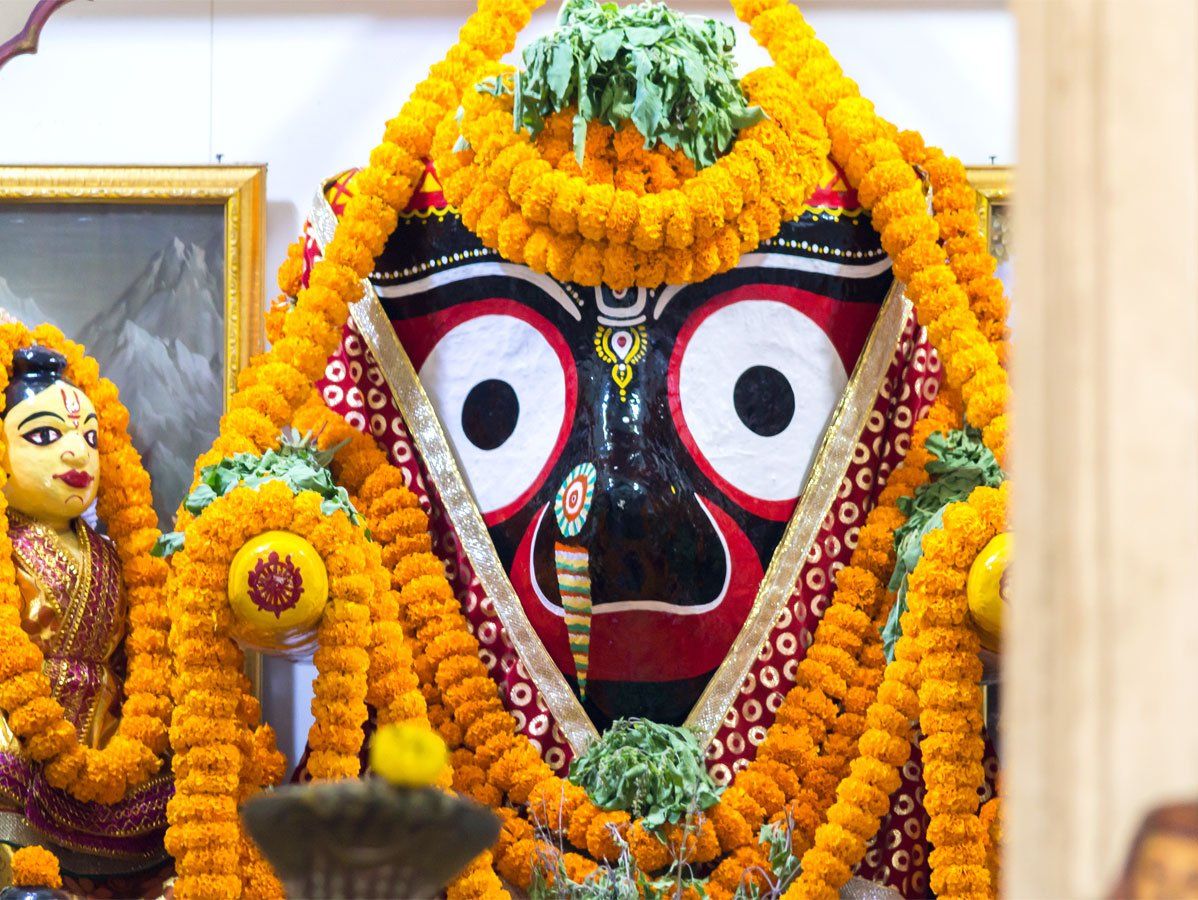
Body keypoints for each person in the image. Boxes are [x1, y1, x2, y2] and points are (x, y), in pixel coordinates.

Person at [0, 347, 169, 889]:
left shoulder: (115, 556)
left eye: (90, 437)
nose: (77, 453)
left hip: (110, 735)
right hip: (24, 735)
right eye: (46, 436)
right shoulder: (7, 549)